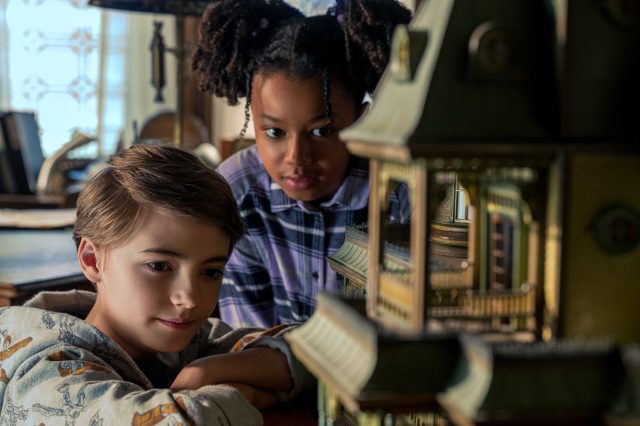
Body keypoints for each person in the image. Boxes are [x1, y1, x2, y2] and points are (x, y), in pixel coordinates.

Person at [0, 145, 305, 425]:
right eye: (159, 266)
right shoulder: (45, 375)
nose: (189, 298)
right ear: (93, 260)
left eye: (210, 271)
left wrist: (207, 372)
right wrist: (248, 393)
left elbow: (316, 349)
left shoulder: (187, 344)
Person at [192, 0, 413, 328]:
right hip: (268, 373)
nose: (296, 157)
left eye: (322, 130)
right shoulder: (239, 192)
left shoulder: (401, 191)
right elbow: (250, 340)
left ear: (362, 120)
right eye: (274, 132)